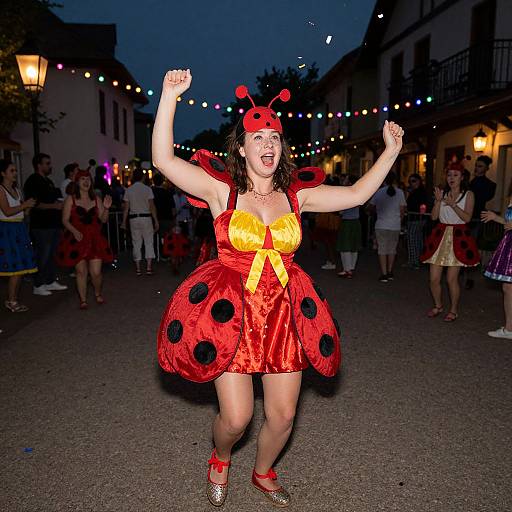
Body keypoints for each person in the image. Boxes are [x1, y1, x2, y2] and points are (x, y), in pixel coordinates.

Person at [152, 68, 404, 508]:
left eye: (274, 137)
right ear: (241, 147)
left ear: (282, 146)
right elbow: (163, 161)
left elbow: (359, 194)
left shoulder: (296, 195)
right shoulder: (220, 191)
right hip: (230, 311)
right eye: (258, 138)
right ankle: (221, 455)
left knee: (283, 416)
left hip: (284, 312)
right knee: (236, 418)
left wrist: (390, 152)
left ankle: (264, 471)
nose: (268, 145)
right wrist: (169, 96)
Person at [421, 162, 480, 322]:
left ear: (462, 177)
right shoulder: (442, 193)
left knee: (451, 279)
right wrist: (439, 201)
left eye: (455, 175)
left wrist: (453, 205)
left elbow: (467, 218)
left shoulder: (468, 194)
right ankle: (438, 305)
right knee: (433, 279)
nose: (451, 178)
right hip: (440, 235)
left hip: (459, 236)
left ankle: (454, 310)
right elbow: (433, 217)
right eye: (449, 175)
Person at [57, 170, 113, 309]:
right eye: (82, 179)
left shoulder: (96, 199)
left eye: (88, 179)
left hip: (94, 239)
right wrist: (74, 231)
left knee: (96, 272)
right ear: (77, 182)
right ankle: (83, 300)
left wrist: (106, 208)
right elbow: (64, 220)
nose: (86, 181)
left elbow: (103, 219)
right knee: (81, 271)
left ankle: (97, 292)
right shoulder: (71, 199)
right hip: (77, 238)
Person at [23, 153, 68, 296]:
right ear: (39, 165)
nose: (50, 166)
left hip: (53, 223)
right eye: (47, 163)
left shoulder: (48, 181)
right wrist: (53, 206)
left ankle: (49, 280)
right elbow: (33, 203)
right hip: (41, 225)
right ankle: (38, 283)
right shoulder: (33, 181)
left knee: (51, 254)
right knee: (43, 253)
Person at [0, 160, 37, 312]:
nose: (15, 173)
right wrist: (25, 205)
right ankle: (11, 300)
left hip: (19, 228)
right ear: (3, 173)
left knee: (20, 267)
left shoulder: (18, 190)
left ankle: (13, 299)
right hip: (6, 229)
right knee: (13, 267)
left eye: (15, 170)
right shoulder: (0, 190)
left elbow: (22, 212)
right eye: (12, 171)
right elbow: (7, 211)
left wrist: (28, 207)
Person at [481, 178, 512, 339]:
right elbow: (509, 223)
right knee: (507, 288)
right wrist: (495, 217)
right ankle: (509, 329)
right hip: (509, 243)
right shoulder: (511, 197)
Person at [465, 155, 496, 289]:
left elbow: (481, 198)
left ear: (486, 168)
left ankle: (470, 276)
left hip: (477, 219)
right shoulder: (470, 182)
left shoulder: (489, 185)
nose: (476, 168)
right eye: (476, 165)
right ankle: (463, 271)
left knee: (472, 247)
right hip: (466, 217)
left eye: (480, 166)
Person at [368, 172, 406, 282]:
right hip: (395, 225)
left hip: (381, 225)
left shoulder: (379, 192)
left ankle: (384, 273)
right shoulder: (400, 193)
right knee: (392, 249)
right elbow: (402, 210)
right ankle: (390, 272)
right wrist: (399, 220)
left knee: (382, 249)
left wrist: (374, 211)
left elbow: (370, 206)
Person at [121, 168, 159, 275]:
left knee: (136, 242)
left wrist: (124, 222)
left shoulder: (129, 190)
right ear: (143, 177)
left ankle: (138, 268)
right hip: (146, 218)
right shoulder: (147, 189)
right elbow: (152, 206)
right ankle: (148, 267)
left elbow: (126, 208)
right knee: (148, 242)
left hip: (133, 218)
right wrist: (155, 220)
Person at [336, 175, 361, 278]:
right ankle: (351, 268)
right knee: (354, 246)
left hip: (347, 221)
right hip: (356, 221)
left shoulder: (346, 192)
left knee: (345, 246)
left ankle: (347, 269)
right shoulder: (358, 192)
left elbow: (341, 210)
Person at [405, 173, 429, 269]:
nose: (411, 183)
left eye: (413, 181)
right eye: (410, 181)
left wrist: (421, 213)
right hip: (416, 218)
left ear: (419, 181)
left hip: (417, 219)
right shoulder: (415, 192)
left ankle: (414, 261)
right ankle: (417, 260)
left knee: (412, 239)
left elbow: (422, 205)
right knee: (417, 239)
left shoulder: (420, 192)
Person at [151, 172, 175, 253]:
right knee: (166, 237)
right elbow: (173, 208)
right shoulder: (168, 193)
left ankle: (157, 253)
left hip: (155, 218)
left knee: (155, 237)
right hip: (167, 218)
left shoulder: (151, 192)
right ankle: (165, 253)